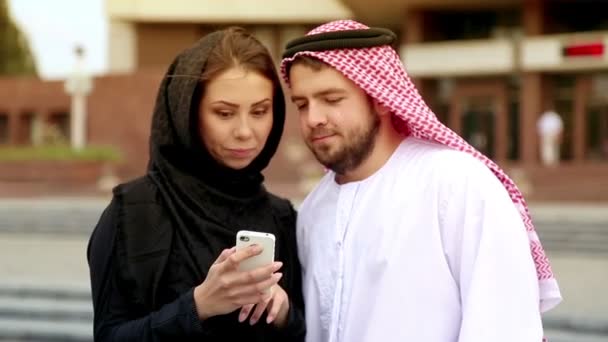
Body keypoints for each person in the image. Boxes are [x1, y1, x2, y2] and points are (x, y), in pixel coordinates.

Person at [280, 20, 561, 342]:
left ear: (380, 97)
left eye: (331, 99)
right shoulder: (314, 208)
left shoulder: (456, 183)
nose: (313, 118)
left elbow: (504, 327)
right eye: (302, 104)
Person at [87, 27, 305, 341]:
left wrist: (284, 313)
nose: (245, 131)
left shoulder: (282, 218)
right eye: (224, 113)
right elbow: (109, 335)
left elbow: (304, 332)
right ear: (187, 113)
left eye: (260, 111)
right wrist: (199, 304)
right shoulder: (134, 213)